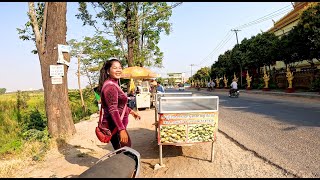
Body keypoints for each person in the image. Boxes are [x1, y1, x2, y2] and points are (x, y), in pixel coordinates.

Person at [97, 58, 141, 150]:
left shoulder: (114, 84)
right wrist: (121, 129)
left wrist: (131, 111)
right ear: (108, 71)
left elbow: (119, 106)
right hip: (115, 127)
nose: (118, 70)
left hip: (117, 126)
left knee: (123, 151)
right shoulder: (110, 86)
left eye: (120, 68)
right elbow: (113, 109)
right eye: (115, 68)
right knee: (125, 153)